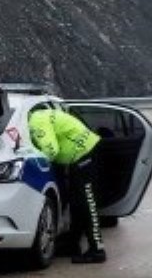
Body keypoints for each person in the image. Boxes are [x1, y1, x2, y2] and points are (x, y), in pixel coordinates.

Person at [29, 103, 106, 264]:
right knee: (77, 203)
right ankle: (72, 245)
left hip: (84, 154)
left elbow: (51, 151)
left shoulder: (36, 122)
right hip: (82, 154)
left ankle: (97, 250)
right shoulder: (45, 113)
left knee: (87, 203)